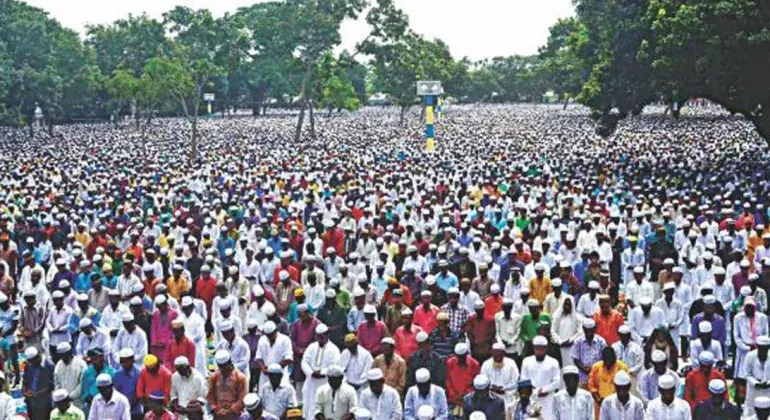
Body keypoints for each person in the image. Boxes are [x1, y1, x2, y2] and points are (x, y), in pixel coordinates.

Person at [301, 323, 341, 419]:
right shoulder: (311, 347)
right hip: (311, 382)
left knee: (324, 407)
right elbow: (304, 362)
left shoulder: (334, 349)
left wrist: (322, 372)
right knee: (309, 405)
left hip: (325, 382)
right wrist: (311, 372)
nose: (320, 339)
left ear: (327, 335)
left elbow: (335, 366)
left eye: (322, 337)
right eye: (318, 337)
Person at [520, 335, 560, 417]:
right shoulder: (526, 361)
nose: (539, 351)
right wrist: (535, 391)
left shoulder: (553, 362)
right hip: (532, 398)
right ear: (533, 348)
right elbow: (523, 380)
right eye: (537, 348)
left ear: (546, 348)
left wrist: (545, 390)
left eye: (542, 349)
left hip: (548, 399)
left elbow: (557, 382)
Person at [588, 347, 628, 418]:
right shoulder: (596, 367)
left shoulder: (622, 367)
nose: (608, 361)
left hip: (618, 403)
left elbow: (625, 386)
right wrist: (599, 400)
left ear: (615, 357)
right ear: (603, 358)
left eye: (610, 358)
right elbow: (592, 386)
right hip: (599, 402)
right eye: (606, 359)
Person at [207, 350, 248, 419]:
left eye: (224, 366)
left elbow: (242, 399)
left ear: (230, 363)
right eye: (220, 367)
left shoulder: (240, 378)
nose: (222, 369)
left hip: (235, 415)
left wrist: (230, 411)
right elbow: (210, 396)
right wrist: (216, 409)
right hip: (218, 414)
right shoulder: (214, 377)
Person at [480, 342, 519, 411]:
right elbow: (482, 381)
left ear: (504, 353)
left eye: (499, 354)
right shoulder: (486, 364)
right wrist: (492, 388)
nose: (497, 356)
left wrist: (504, 389)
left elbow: (515, 381)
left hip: (507, 399)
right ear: (492, 353)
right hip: (491, 399)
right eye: (495, 354)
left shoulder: (511, 363)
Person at [571, 318, 607, 385]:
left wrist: (593, 369)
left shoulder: (601, 341)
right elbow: (576, 359)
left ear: (594, 329)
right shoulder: (578, 341)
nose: (589, 333)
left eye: (591, 331)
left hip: (597, 377)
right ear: (583, 329)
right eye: (587, 331)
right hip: (582, 377)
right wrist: (584, 369)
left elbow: (604, 359)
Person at [445, 342, 480, 410]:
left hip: (469, 399)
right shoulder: (450, 362)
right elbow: (448, 380)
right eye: (459, 357)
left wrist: (466, 394)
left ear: (466, 354)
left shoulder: (474, 364)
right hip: (453, 399)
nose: (461, 359)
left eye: (463, 357)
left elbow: (476, 384)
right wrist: (454, 394)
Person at [53, 342, 87, 410]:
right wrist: (60, 397)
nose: (62, 357)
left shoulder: (81, 364)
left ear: (69, 352)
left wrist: (70, 397)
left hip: (78, 404)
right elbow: (57, 383)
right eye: (60, 355)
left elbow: (82, 384)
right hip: (63, 404)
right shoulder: (59, 365)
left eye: (64, 354)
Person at [23, 346, 54, 419]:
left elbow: (51, 385)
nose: (32, 364)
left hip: (44, 401)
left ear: (39, 356)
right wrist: (25, 390)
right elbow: (25, 379)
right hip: (31, 400)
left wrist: (37, 394)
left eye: (33, 361)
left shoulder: (49, 365)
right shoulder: (28, 364)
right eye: (30, 362)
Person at [742, 335, 770, 417]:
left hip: (768, 390)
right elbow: (746, 373)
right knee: (751, 411)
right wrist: (756, 383)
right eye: (761, 348)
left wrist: (768, 383)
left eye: (765, 348)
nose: (763, 350)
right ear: (757, 346)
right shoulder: (750, 356)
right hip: (753, 390)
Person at [113, 348, 143, 420]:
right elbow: (116, 392)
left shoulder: (139, 373)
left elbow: (139, 394)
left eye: (125, 361)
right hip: (121, 410)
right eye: (122, 361)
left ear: (132, 360)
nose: (123, 364)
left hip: (136, 411)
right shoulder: (117, 375)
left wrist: (130, 405)